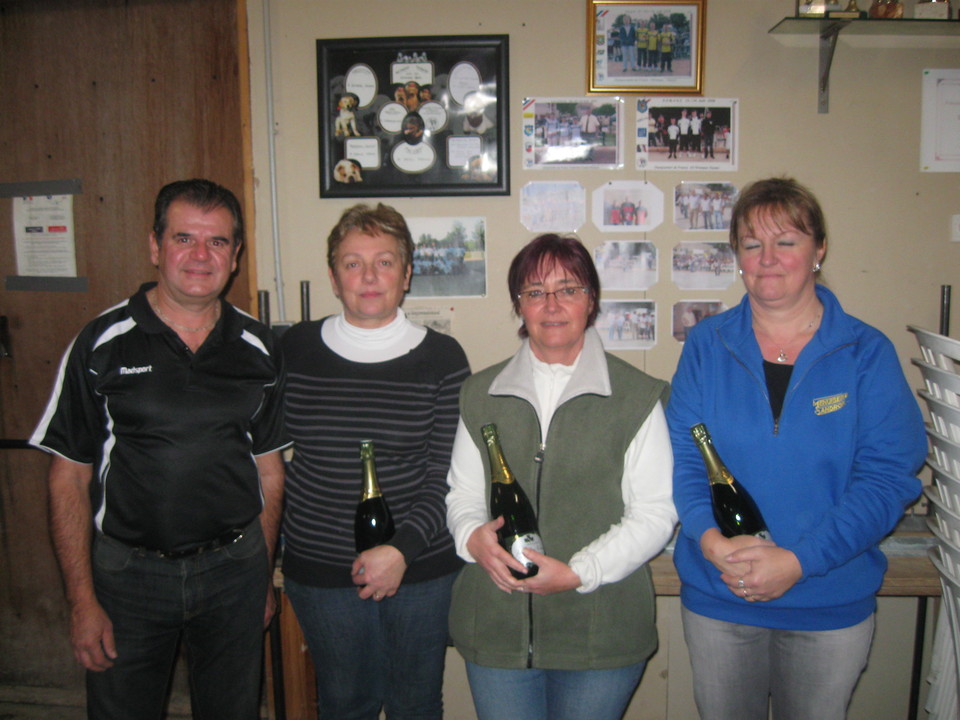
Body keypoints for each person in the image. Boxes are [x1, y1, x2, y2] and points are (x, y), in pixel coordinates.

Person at [666, 177, 926, 720]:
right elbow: (688, 459)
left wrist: (799, 561)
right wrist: (714, 546)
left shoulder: (865, 353)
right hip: (721, 595)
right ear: (736, 254)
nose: (767, 259)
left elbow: (887, 479)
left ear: (819, 249)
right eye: (751, 243)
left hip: (827, 602)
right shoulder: (706, 347)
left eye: (786, 241)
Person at [30, 178, 290, 720]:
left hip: (233, 571)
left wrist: (259, 577)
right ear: (155, 246)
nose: (201, 255)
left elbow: (269, 474)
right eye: (184, 238)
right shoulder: (101, 343)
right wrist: (82, 601)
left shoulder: (259, 348)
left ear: (236, 255)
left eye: (217, 242)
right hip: (128, 578)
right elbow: (68, 478)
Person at [446, 234, 676, 720]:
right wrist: (471, 538)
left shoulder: (636, 396)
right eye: (534, 292)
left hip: (600, 630)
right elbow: (463, 493)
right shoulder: (480, 393)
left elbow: (656, 512)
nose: (551, 305)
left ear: (591, 301)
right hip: (498, 628)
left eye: (568, 289)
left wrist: (578, 572)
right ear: (518, 305)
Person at [280, 203, 471, 720]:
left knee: (415, 705)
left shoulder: (443, 359)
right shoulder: (293, 350)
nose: (369, 277)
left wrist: (400, 551)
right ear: (333, 275)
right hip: (321, 569)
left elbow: (446, 476)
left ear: (406, 274)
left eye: (385, 262)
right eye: (352, 263)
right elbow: (265, 458)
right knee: (345, 705)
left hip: (422, 568)